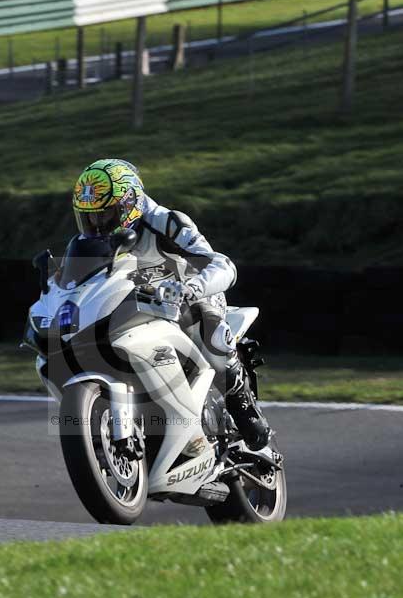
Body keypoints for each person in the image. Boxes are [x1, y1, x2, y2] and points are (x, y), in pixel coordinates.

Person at [72, 158, 270, 450]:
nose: (97, 225)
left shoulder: (167, 222)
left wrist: (193, 287)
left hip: (186, 294)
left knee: (211, 331)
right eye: (89, 217)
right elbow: (71, 285)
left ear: (130, 204)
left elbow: (222, 264)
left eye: (106, 215)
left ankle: (242, 406)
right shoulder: (84, 242)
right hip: (133, 301)